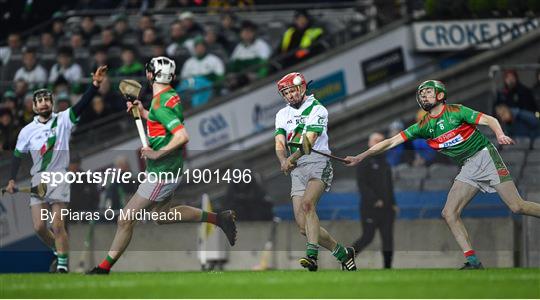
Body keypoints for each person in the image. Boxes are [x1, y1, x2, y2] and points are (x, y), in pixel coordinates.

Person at [344, 79, 540, 269]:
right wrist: (362, 155)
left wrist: (500, 134)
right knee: (449, 213)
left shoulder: (456, 111)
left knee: (517, 206)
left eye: (428, 92)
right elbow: (390, 142)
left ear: (440, 94)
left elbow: (489, 119)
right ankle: (473, 262)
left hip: (485, 156)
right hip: (468, 166)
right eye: (421, 93)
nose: (423, 95)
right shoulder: (424, 125)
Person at [87, 56, 237, 275]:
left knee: (125, 218)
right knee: (161, 216)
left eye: (148, 71)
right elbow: (162, 122)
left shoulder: (160, 104)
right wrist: (144, 112)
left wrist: (156, 154)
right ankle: (219, 218)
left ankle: (103, 268)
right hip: (170, 169)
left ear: (151, 75)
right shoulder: (170, 96)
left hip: (162, 172)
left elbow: (182, 135)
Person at [4, 65, 109, 273]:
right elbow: (17, 156)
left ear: (52, 103)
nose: (44, 103)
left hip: (59, 177)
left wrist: (95, 86)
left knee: (58, 225)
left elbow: (82, 105)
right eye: (39, 101)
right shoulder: (27, 131)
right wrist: (12, 179)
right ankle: (58, 250)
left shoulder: (63, 120)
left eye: (46, 100)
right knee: (39, 227)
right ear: (34, 107)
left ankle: (62, 267)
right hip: (38, 180)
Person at [274, 72, 356, 271]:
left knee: (308, 205)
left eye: (292, 90)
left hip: (318, 162)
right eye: (286, 93)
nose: (290, 95)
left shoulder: (317, 109)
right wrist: (283, 159)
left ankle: (312, 256)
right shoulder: (282, 114)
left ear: (302, 88)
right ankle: (343, 253)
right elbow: (279, 142)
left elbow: (309, 140)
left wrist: (290, 159)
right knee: (303, 227)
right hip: (297, 168)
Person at [352, 132, 397, 269]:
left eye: (381, 141)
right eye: (376, 140)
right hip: (370, 208)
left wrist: (394, 203)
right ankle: (347, 256)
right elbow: (362, 185)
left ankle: (388, 267)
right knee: (367, 237)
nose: (379, 143)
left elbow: (389, 185)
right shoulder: (364, 162)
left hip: (387, 209)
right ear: (369, 143)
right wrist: (374, 200)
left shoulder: (386, 163)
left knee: (388, 239)